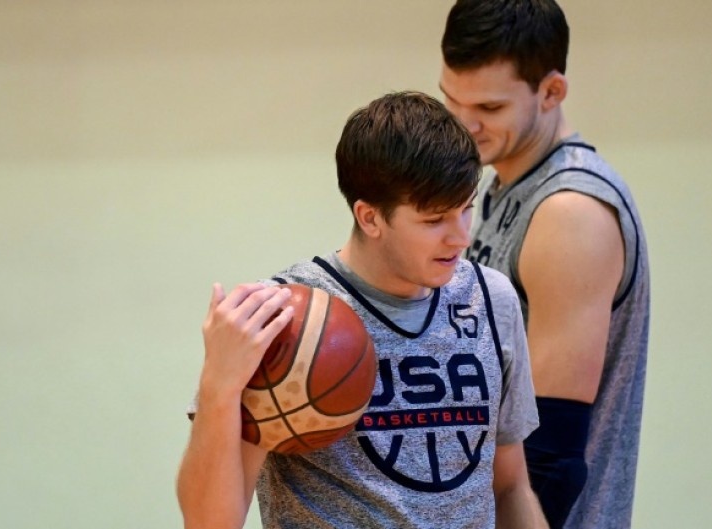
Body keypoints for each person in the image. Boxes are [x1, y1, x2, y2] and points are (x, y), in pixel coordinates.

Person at [176, 91, 548, 529]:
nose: (460, 237)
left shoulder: (491, 299)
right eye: (434, 221)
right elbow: (208, 522)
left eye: (466, 210)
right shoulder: (285, 318)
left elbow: (509, 487)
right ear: (369, 217)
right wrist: (219, 384)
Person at [439, 2, 651, 528]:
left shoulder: (569, 212)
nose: (465, 126)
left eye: (488, 108)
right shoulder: (505, 182)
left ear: (552, 92)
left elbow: (548, 460)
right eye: (452, 101)